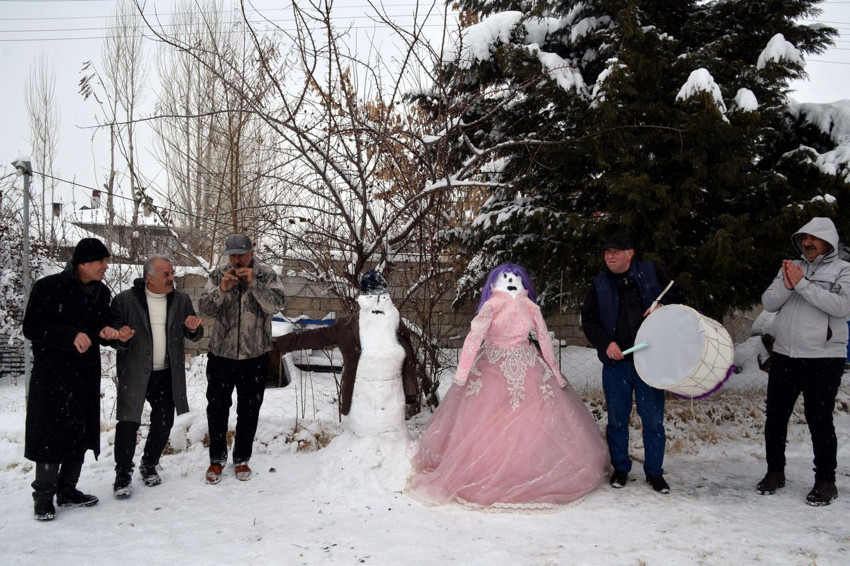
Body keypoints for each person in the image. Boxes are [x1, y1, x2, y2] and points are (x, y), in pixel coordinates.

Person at [408, 263, 608, 511]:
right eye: (505, 277)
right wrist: (462, 373)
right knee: (487, 420)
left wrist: (555, 372)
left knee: (534, 418)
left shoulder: (530, 307)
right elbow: (474, 338)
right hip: (491, 366)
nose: (511, 281)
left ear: (523, 282)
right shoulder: (490, 306)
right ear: (493, 284)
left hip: (528, 365)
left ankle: (530, 467)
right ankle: (488, 468)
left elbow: (544, 338)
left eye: (515, 277)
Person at [23, 238, 133, 521]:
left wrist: (112, 332)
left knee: (79, 432)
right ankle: (44, 497)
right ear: (83, 263)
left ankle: (68, 490)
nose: (106, 267)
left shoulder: (100, 291)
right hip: (52, 377)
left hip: (84, 375)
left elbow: (99, 325)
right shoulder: (48, 288)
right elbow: (32, 327)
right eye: (101, 262)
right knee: (50, 434)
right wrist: (69, 336)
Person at [580, 233, 684, 494]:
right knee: (616, 419)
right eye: (606, 251)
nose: (610, 256)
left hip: (650, 361)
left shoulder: (650, 273)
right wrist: (606, 343)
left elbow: (677, 296)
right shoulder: (599, 283)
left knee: (652, 420)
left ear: (631, 253)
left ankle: (655, 472)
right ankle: (621, 468)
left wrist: (662, 305)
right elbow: (589, 320)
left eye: (615, 251)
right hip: (617, 363)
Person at [757, 217, 850, 506]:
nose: (807, 243)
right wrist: (788, 282)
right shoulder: (792, 267)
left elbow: (841, 306)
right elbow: (769, 302)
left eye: (814, 239)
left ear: (828, 242)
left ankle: (826, 481)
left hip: (823, 358)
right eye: (803, 239)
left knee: (819, 420)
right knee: (775, 417)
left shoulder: (843, 270)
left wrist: (802, 285)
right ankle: (775, 471)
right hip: (786, 355)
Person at [273, 270, 432, 435]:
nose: (377, 302)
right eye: (371, 296)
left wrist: (410, 390)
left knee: (389, 449)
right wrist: (279, 343)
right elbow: (314, 337)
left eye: (381, 296)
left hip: (391, 409)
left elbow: (410, 360)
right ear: (363, 299)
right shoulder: (348, 329)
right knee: (361, 446)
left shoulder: (397, 327)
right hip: (361, 406)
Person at [109, 255, 204, 499]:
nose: (172, 278)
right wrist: (121, 336)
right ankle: (123, 473)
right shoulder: (124, 301)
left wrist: (193, 328)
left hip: (166, 373)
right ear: (149, 277)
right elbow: (112, 337)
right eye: (166, 274)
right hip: (135, 372)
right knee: (128, 423)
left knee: (164, 422)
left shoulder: (181, 300)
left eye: (172, 273)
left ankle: (149, 463)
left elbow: (193, 332)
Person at [198, 234, 286, 484]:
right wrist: (222, 290)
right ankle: (216, 460)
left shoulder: (266, 274)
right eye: (232, 254)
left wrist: (254, 285)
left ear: (251, 251)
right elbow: (204, 309)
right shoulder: (217, 275)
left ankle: (241, 459)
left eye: (241, 254)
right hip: (221, 355)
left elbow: (277, 305)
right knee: (216, 409)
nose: (236, 259)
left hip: (254, 356)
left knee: (249, 410)